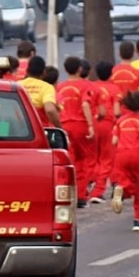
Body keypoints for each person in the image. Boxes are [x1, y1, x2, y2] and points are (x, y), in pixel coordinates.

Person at [110, 90, 139, 232]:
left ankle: (122, 191)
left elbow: (114, 141)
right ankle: (138, 219)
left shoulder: (120, 120)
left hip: (121, 155)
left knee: (126, 180)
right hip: (138, 155)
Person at [56, 56, 96, 207]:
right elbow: (86, 104)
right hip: (80, 124)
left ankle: (68, 192)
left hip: (64, 125)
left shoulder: (60, 86)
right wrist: (91, 124)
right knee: (85, 160)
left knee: (70, 159)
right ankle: (81, 195)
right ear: (80, 69)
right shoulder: (85, 86)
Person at [88, 60, 123, 204]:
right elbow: (116, 111)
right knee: (106, 159)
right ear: (111, 73)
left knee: (92, 158)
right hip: (107, 124)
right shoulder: (115, 89)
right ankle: (98, 190)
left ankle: (87, 185)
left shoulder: (92, 86)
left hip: (92, 123)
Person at [19, 56, 61, 128]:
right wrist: (60, 128)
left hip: (19, 131)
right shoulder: (46, 87)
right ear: (44, 72)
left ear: (27, 70)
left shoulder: (17, 85)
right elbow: (50, 110)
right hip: (41, 131)